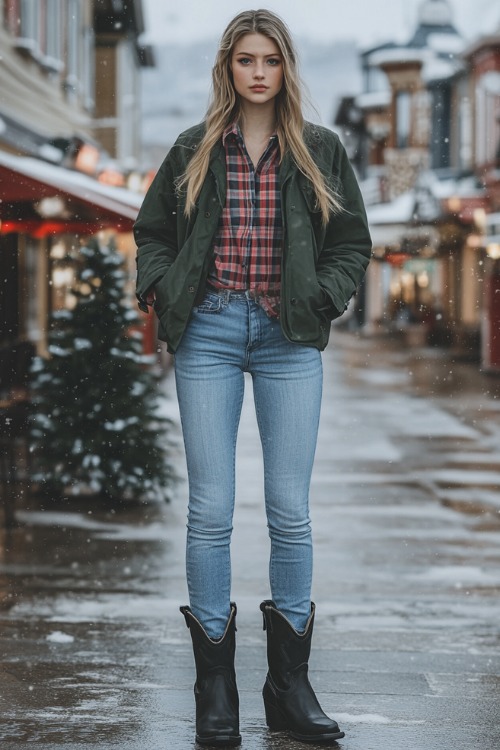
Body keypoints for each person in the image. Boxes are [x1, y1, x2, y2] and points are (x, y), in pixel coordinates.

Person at [134, 9, 371, 747]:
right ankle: (215, 689)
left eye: (271, 58)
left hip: (287, 338)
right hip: (206, 331)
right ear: (227, 68)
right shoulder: (193, 148)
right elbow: (152, 233)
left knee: (288, 507)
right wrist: (162, 287)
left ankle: (288, 686)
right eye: (246, 59)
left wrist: (325, 295)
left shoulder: (321, 151)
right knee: (210, 508)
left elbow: (352, 242)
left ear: (286, 66)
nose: (259, 71)